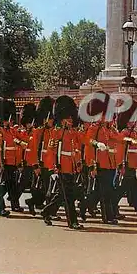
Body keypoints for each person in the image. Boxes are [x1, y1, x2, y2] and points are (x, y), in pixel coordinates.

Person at [41, 95, 83, 230]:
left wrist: (77, 163)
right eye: (68, 118)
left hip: (70, 167)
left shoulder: (71, 132)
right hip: (61, 167)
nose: (71, 120)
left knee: (62, 194)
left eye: (71, 117)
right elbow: (51, 151)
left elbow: (75, 150)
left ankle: (46, 211)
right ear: (62, 118)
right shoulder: (56, 132)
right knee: (68, 196)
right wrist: (54, 167)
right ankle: (72, 222)